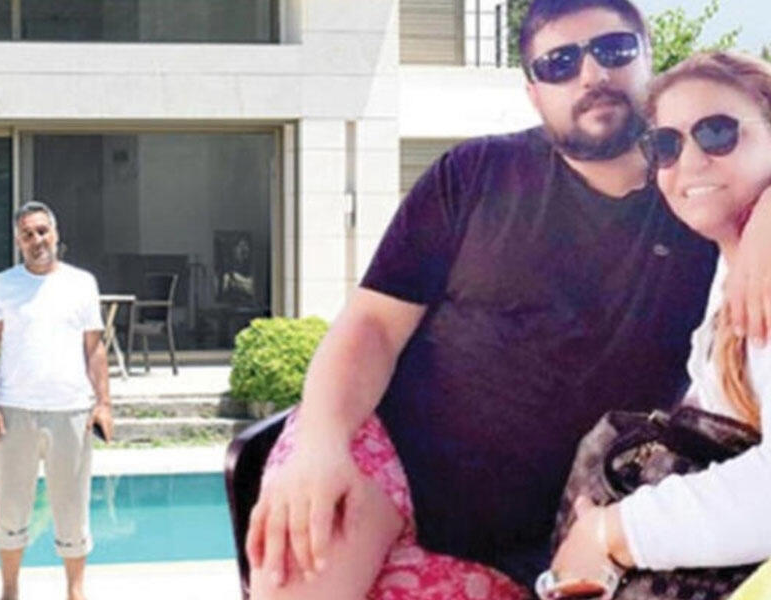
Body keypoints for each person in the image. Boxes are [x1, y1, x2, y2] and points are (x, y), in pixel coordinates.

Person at [246, 2, 771, 599]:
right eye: (559, 63)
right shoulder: (474, 175)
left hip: (549, 542)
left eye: (614, 50)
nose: (591, 74)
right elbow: (371, 324)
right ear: (532, 92)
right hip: (393, 467)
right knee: (306, 543)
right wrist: (319, 443)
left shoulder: (698, 195)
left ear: (647, 63)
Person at [551, 51, 771, 584]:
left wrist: (612, 533)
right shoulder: (728, 275)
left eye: (717, 132)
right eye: (666, 145)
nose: (689, 160)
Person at [0, 201, 114, 600]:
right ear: (18, 241)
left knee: (72, 510)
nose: (36, 240)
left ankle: (75, 592)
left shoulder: (82, 283)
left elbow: (95, 348)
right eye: (27, 234)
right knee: (10, 509)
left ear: (55, 234)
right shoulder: (2, 285)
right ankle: (9, 591)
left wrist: (103, 404)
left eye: (42, 231)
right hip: (13, 412)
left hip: (70, 411)